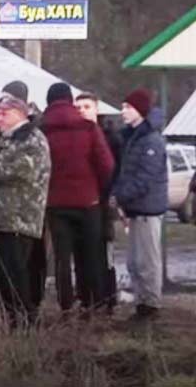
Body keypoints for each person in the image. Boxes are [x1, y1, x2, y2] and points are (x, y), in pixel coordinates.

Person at [0, 96, 51, 326]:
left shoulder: (32, 138)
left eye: (3, 113)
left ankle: (25, 323)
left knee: (15, 276)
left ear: (19, 113)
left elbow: (23, 170)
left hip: (17, 218)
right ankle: (8, 320)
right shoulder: (1, 138)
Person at [41, 84, 114, 314]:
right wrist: (98, 189)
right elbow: (106, 164)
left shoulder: (42, 129)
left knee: (62, 257)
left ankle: (65, 304)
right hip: (87, 201)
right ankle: (91, 302)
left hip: (55, 202)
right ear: (69, 100)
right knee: (91, 252)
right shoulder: (88, 128)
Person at [112, 88, 167, 321]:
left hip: (147, 209)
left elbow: (144, 178)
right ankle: (142, 303)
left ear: (140, 111)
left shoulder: (150, 140)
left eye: (128, 107)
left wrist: (120, 196)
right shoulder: (134, 138)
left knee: (147, 260)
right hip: (136, 208)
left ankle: (150, 305)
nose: (123, 111)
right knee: (135, 261)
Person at [76, 92, 121, 311]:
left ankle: (108, 298)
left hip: (103, 201)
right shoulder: (74, 136)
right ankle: (87, 298)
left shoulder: (110, 137)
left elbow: (116, 168)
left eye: (86, 106)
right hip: (83, 202)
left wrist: (112, 195)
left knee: (104, 250)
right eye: (79, 107)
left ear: (96, 109)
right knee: (83, 251)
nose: (82, 111)